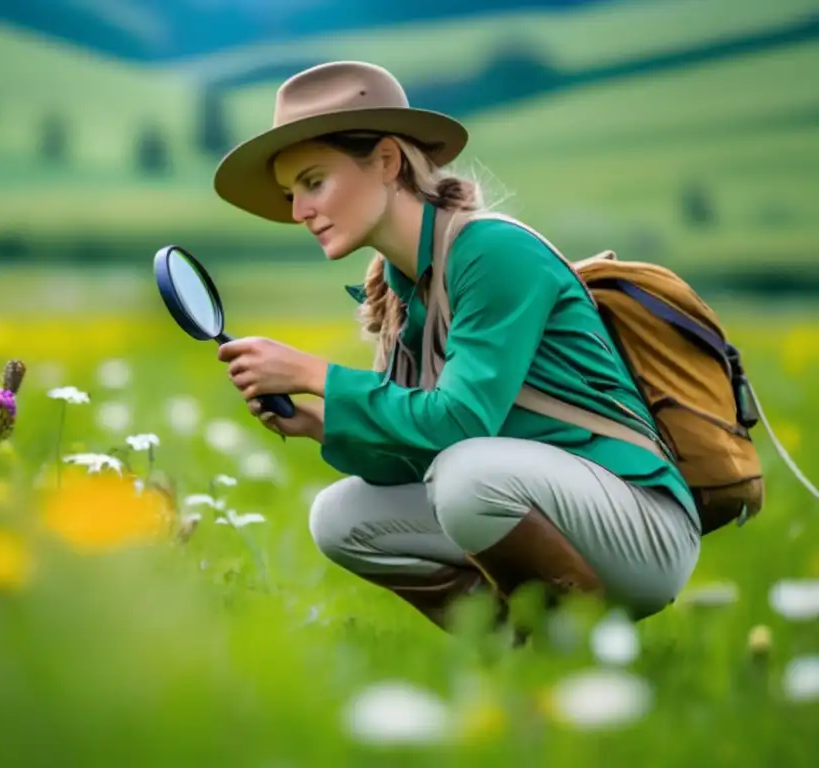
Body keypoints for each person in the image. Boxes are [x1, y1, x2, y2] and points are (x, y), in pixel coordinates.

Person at [212, 60, 701, 630]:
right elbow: (421, 453)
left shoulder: (491, 253)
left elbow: (462, 425)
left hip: (642, 527)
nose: (299, 212)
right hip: (543, 505)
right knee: (339, 518)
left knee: (468, 475)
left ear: (388, 161)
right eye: (291, 193)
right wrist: (323, 422)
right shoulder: (400, 286)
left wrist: (316, 374)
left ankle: (581, 647)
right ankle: (507, 656)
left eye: (314, 181)